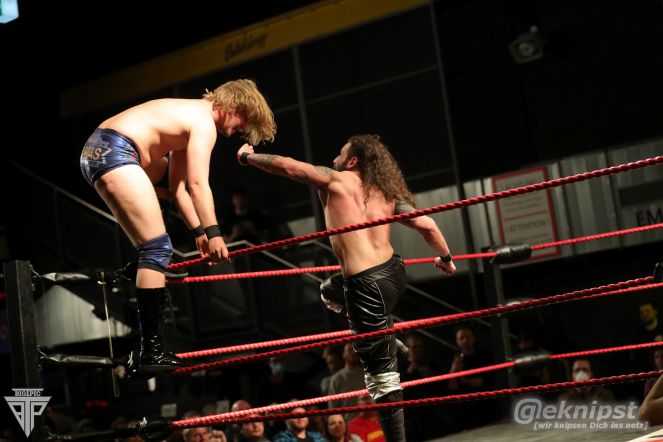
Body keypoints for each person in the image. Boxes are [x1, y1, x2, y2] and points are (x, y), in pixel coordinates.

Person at [237, 134, 456, 442]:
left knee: (381, 380)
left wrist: (247, 157)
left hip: (366, 286)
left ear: (353, 161)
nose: (334, 158)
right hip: (394, 273)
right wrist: (446, 258)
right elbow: (428, 225)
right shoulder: (385, 192)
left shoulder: (335, 180)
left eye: (341, 154)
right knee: (330, 290)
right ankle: (386, 339)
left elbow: (287, 166)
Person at [80, 79, 276, 375]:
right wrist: (215, 233)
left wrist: (199, 232)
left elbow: (178, 191)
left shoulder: (188, 118)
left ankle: (148, 269)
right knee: (156, 249)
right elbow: (198, 185)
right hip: (118, 151)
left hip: (99, 150)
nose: (241, 129)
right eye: (243, 121)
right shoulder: (204, 123)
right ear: (234, 106)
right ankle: (152, 350)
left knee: (156, 242)